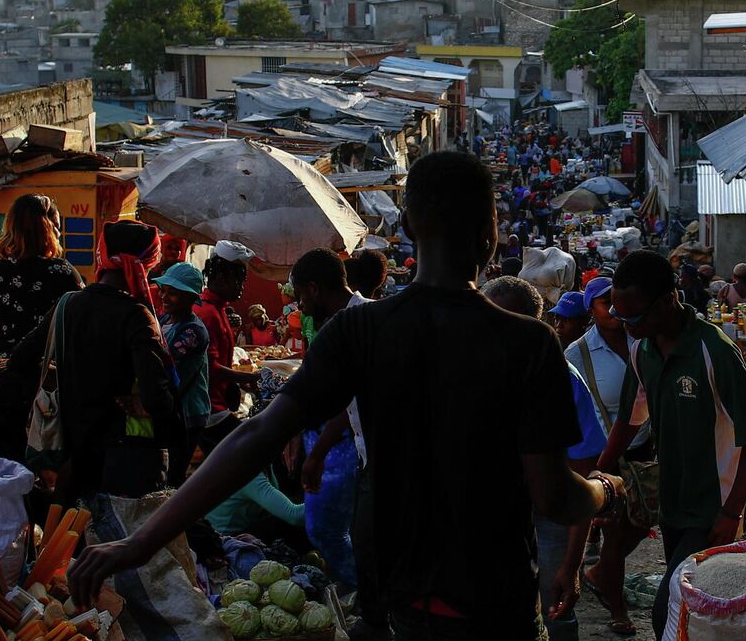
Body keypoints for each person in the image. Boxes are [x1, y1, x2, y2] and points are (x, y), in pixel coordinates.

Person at [68, 151, 623, 640]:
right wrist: (605, 489)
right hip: (496, 605)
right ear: (491, 235)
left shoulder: (363, 331)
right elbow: (555, 498)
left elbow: (259, 434)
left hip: (407, 602)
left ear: (407, 226)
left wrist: (141, 542)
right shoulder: (528, 344)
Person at [601, 249, 746, 638]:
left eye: (633, 318)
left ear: (666, 302)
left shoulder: (714, 350)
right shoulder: (642, 349)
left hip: (711, 511)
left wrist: (731, 512)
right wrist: (600, 469)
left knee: (668, 612)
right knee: (690, 617)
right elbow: (629, 420)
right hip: (672, 505)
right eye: (619, 317)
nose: (625, 326)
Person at [6, 221, 175, 502]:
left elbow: (19, 361)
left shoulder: (66, 305)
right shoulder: (137, 316)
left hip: (70, 458)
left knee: (70, 539)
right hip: (120, 462)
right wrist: (149, 404)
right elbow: (157, 399)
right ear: (148, 263)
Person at [483, 276, 607, 641]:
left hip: (550, 516)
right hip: (491, 517)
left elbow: (583, 478)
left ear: (533, 326)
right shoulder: (470, 372)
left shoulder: (563, 380)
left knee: (557, 610)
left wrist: (571, 566)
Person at [569, 277, 650, 636]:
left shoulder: (641, 339)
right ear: (591, 310)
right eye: (604, 303)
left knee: (642, 519)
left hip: (645, 448)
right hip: (606, 455)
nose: (613, 309)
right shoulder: (578, 354)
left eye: (615, 301)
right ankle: (615, 605)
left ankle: (600, 572)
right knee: (617, 532)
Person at [286, 248, 365, 595]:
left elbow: (348, 406)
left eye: (302, 296)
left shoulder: (363, 323)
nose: (301, 307)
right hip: (365, 453)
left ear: (315, 289)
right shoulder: (347, 324)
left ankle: (371, 600)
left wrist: (316, 453)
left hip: (381, 457)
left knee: (334, 531)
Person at [0, 194, 84, 361]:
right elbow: (82, 318)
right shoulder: (60, 270)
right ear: (45, 228)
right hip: (44, 368)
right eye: (56, 226)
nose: (59, 233)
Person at [154, 263, 212, 488]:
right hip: (173, 409)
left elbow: (162, 363)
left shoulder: (194, 332)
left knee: (174, 475)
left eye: (173, 293)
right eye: (164, 290)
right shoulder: (165, 320)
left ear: (190, 298)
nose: (165, 297)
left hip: (188, 412)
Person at [197, 241, 261, 414]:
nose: (241, 286)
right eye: (238, 279)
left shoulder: (219, 309)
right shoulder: (207, 313)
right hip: (208, 407)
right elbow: (209, 366)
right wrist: (248, 377)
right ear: (221, 278)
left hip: (217, 402)